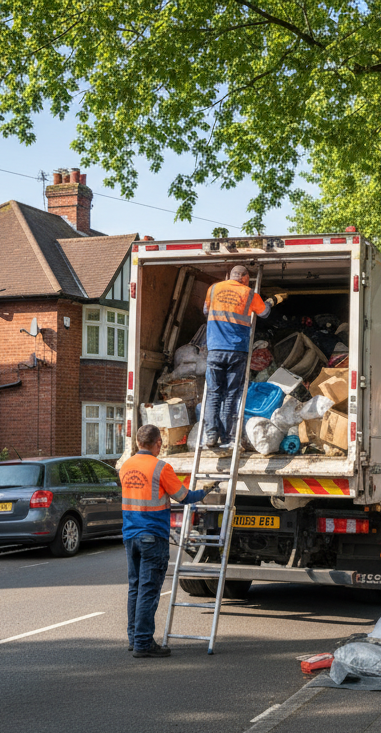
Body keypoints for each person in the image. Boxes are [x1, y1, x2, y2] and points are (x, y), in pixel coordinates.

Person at [120, 424, 215, 657]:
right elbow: (184, 497)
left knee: (136, 588)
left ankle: (134, 638)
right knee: (148, 591)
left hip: (130, 535)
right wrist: (204, 491)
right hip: (152, 536)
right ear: (158, 443)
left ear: (138, 442)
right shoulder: (161, 467)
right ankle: (143, 643)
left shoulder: (126, 466)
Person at [202, 265, 286, 450]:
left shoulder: (214, 288)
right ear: (246, 278)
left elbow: (206, 311)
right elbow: (264, 313)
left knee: (213, 393)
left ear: (231, 276)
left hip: (215, 349)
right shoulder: (249, 294)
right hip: (237, 351)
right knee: (231, 394)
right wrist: (272, 300)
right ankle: (227, 439)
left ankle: (210, 435)